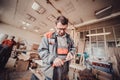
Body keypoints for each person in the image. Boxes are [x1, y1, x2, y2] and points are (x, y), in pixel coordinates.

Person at [31, 16, 75, 80]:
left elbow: (73, 48)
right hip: (51, 70)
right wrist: (53, 59)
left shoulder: (69, 38)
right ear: (55, 26)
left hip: (64, 71)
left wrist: (71, 53)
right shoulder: (48, 36)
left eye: (64, 29)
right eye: (59, 29)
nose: (62, 31)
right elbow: (42, 51)